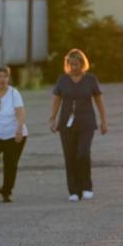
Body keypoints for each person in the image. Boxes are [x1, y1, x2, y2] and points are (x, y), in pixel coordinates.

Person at [48, 49, 108, 202]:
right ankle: (73, 191)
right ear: (67, 65)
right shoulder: (62, 80)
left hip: (86, 123)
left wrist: (104, 120)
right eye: (72, 64)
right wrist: (52, 118)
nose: (74, 67)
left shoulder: (90, 79)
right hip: (66, 125)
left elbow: (99, 100)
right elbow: (56, 100)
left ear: (83, 64)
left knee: (83, 153)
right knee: (70, 157)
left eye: (77, 64)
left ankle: (86, 186)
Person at [0, 66, 28, 202]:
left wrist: (19, 129)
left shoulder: (14, 93)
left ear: (8, 78)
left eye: (5, 76)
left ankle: (7, 191)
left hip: (13, 134)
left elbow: (20, 112)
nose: (2, 79)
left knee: (11, 163)